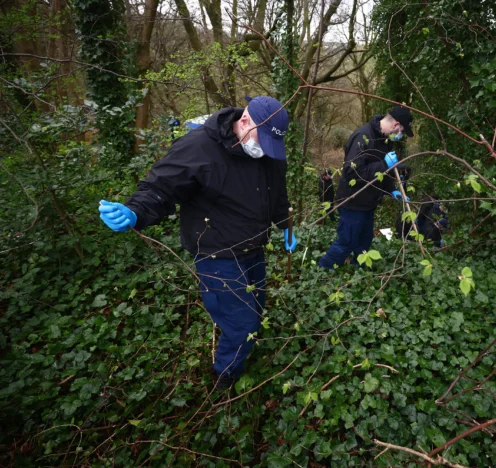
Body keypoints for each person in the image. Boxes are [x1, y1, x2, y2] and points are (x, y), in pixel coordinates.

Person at [98, 96, 297, 390]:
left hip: (253, 247)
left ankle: (242, 344)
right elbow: (161, 188)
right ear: (244, 121)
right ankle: (225, 376)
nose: (265, 149)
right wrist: (135, 211)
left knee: (255, 308)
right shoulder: (198, 148)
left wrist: (286, 226)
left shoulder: (268, 152)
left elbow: (276, 194)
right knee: (241, 325)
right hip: (218, 254)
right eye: (262, 139)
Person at [318, 105, 414, 269]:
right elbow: (352, 172)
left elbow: (381, 174)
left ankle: (359, 272)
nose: (401, 135)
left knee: (364, 242)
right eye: (402, 131)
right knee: (347, 242)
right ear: (396, 124)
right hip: (353, 201)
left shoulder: (384, 141)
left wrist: (392, 189)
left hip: (368, 203)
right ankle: (324, 269)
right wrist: (384, 163)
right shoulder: (363, 136)